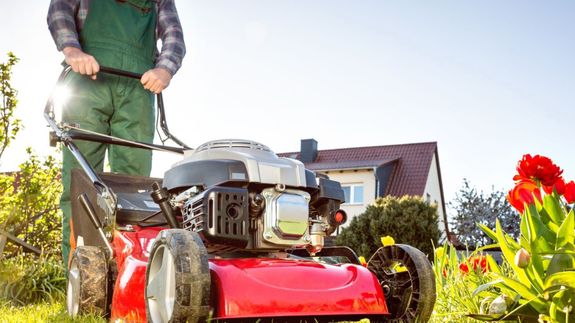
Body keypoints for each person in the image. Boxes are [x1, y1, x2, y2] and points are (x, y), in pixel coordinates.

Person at [47, 0, 186, 267]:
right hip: (86, 85)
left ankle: (127, 273)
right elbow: (60, 9)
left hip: (138, 90)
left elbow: (174, 36)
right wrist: (72, 50)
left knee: (136, 188)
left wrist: (164, 69)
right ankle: (80, 277)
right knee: (81, 185)